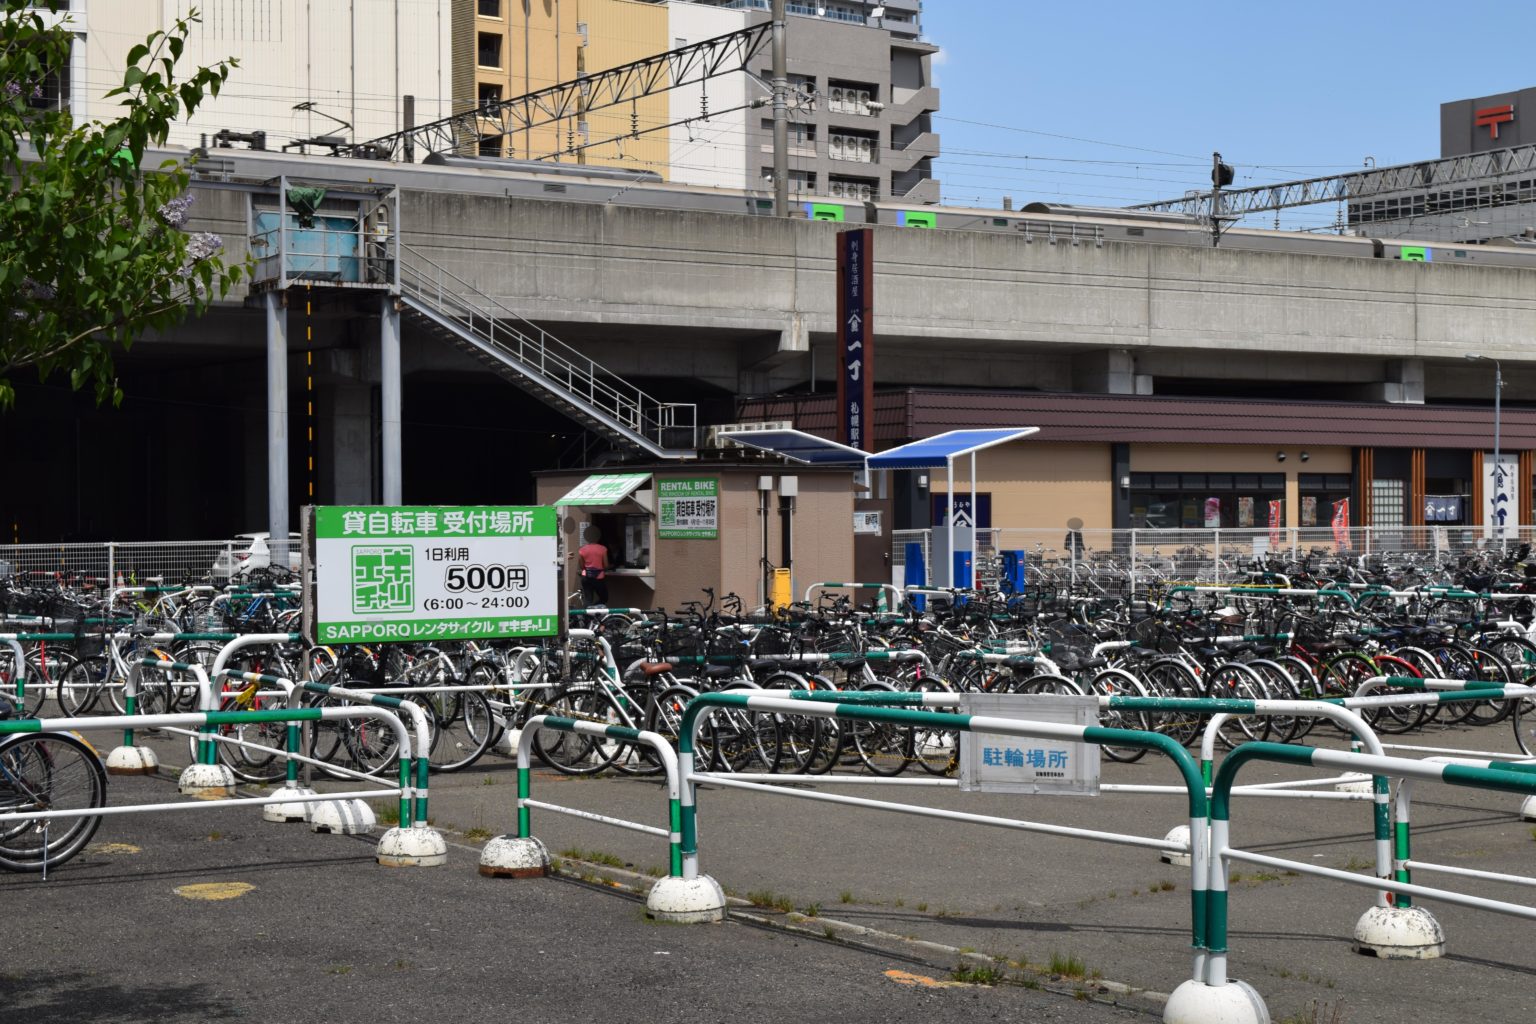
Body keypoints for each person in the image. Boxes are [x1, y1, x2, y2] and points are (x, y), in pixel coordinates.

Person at [577, 528, 610, 607]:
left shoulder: (582, 550)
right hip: (598, 577)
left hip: (586, 576)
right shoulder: (602, 549)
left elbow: (582, 566)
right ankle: (594, 609)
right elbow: (606, 565)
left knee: (588, 600)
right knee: (604, 598)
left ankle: (588, 616)